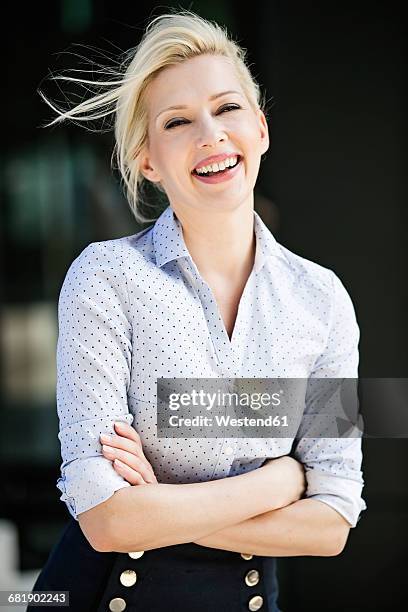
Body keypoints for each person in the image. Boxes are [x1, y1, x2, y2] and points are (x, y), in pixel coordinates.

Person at [29, 9, 366, 612]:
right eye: (178, 121)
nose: (210, 134)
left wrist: (157, 504)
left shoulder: (322, 301)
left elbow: (332, 523)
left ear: (261, 129)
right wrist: (277, 483)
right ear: (148, 161)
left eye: (228, 108)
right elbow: (105, 521)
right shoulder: (105, 279)